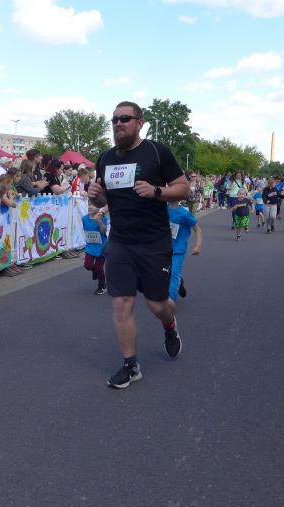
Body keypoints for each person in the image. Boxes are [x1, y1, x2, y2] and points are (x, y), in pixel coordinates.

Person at [88, 100, 189, 389]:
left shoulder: (156, 152)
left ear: (140, 123)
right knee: (121, 303)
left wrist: (157, 191)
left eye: (125, 118)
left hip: (154, 242)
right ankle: (131, 366)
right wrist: (95, 195)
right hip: (120, 241)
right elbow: (105, 199)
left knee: (158, 305)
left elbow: (184, 189)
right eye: (114, 120)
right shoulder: (106, 158)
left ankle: (169, 325)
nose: (118, 124)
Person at [168, 198, 202, 300]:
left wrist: (198, 246)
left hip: (178, 249)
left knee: (174, 273)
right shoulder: (162, 209)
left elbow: (197, 229)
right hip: (163, 248)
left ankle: (170, 300)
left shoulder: (184, 213)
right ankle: (179, 281)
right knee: (164, 272)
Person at [82, 204, 109, 295]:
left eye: (93, 205)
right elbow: (85, 230)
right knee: (87, 265)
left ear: (99, 207)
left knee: (99, 267)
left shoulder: (103, 218)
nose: (90, 207)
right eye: (89, 204)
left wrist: (99, 222)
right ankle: (95, 271)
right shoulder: (84, 218)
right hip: (90, 246)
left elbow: (104, 232)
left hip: (102, 246)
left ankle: (102, 286)